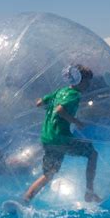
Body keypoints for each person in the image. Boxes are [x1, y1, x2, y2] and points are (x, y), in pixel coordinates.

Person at [22, 64, 102, 204]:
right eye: (87, 81)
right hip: (61, 138)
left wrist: (50, 108)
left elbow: (39, 103)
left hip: (47, 137)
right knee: (92, 153)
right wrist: (75, 121)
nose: (88, 85)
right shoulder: (74, 95)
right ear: (80, 80)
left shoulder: (60, 92)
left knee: (48, 174)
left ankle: (26, 198)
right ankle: (89, 192)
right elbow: (60, 110)